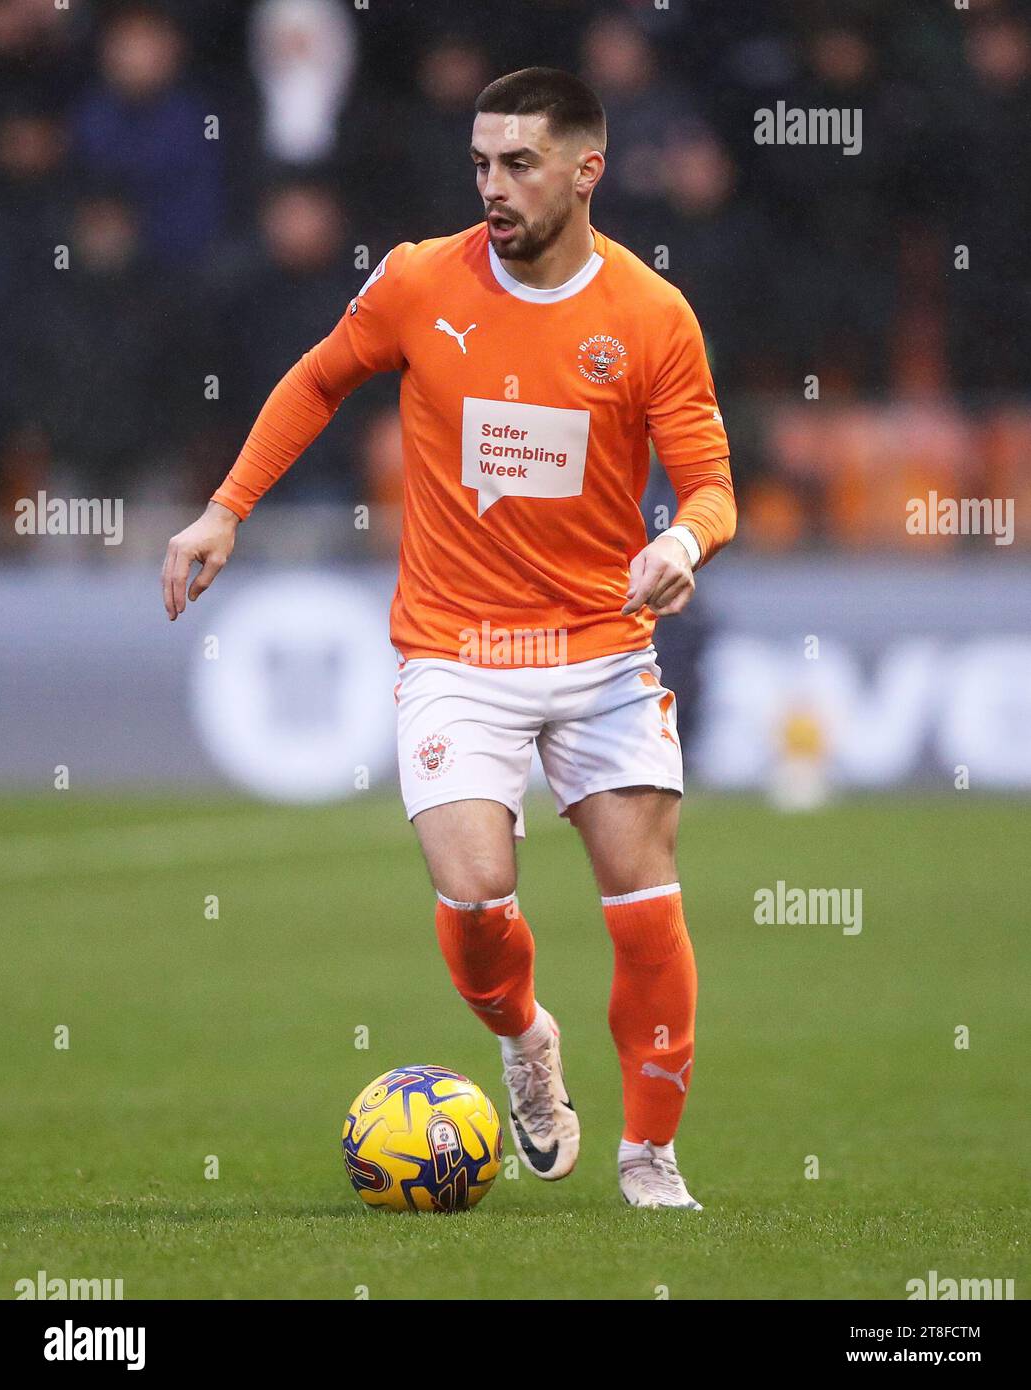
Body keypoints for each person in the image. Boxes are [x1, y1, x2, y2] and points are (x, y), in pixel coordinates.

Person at [162, 67, 736, 1209]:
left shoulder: (648, 315)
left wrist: (681, 546)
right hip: (456, 649)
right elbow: (319, 379)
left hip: (602, 649)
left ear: (587, 170)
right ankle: (526, 1041)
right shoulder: (419, 281)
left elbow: (711, 487)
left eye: (518, 163)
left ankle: (648, 1153)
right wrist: (227, 504)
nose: (492, 186)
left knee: (644, 899)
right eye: (479, 162)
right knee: (476, 897)